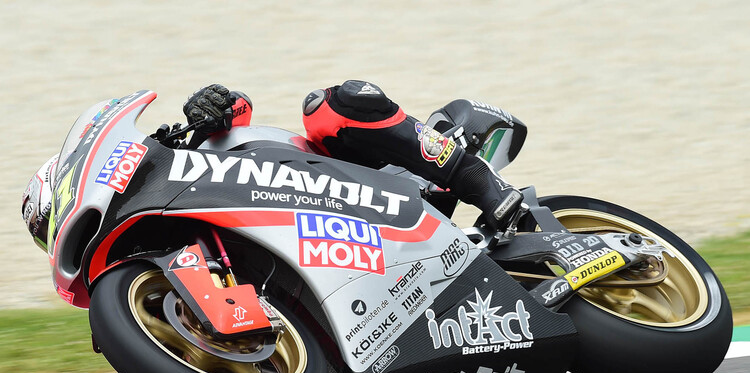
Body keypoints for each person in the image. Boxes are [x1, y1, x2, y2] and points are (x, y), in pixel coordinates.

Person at [183, 81, 523, 230]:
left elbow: (236, 106)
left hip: (344, 183)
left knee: (330, 104)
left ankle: (473, 177)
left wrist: (207, 113)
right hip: (309, 241)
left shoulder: (181, 161)